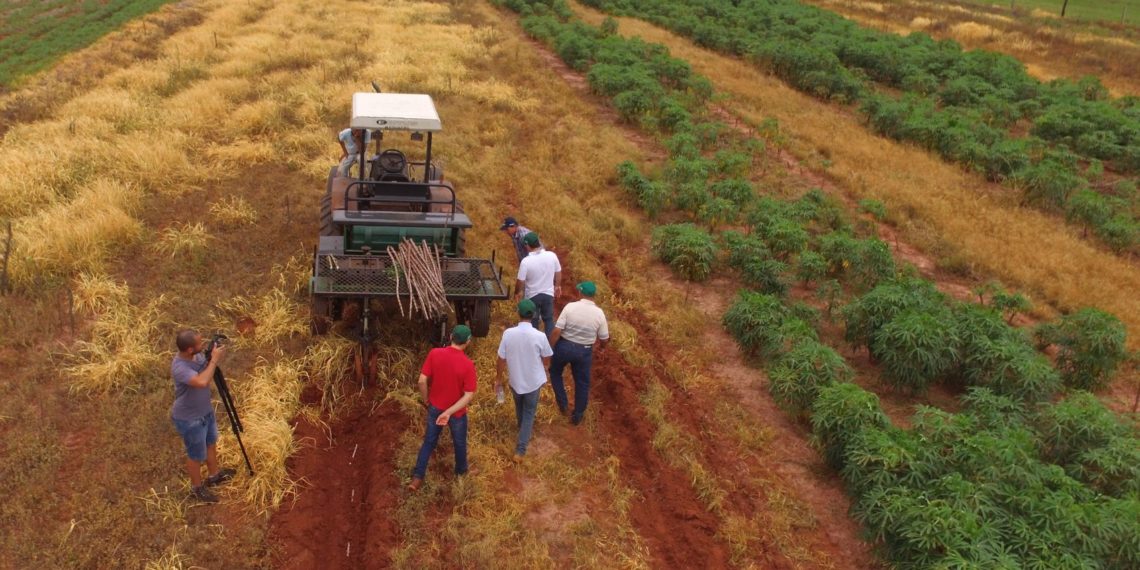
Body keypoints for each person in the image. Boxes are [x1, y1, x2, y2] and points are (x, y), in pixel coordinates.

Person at [171, 329, 236, 503]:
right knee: (195, 455)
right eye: (199, 343)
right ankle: (197, 488)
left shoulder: (196, 356)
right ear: (190, 349)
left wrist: (211, 355)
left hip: (205, 411)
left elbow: (206, 368)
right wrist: (214, 359)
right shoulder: (180, 367)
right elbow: (202, 381)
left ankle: (214, 476)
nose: (202, 345)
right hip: (190, 419)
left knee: (210, 444)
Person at [410, 325, 478, 491]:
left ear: (451, 337)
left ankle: (417, 477)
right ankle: (460, 474)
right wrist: (449, 412)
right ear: (468, 342)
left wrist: (426, 399)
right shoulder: (468, 364)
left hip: (435, 407)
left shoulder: (435, 353)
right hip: (457, 413)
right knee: (459, 443)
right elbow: (468, 395)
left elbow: (421, 381)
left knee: (429, 441)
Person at [495, 299, 553, 462]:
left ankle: (522, 430)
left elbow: (501, 359)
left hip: (515, 380)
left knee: (519, 407)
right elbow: (547, 356)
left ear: (518, 313)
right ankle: (520, 450)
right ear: (534, 315)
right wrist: (545, 368)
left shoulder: (508, 334)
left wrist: (498, 378)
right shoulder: (540, 336)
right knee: (529, 412)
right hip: (533, 382)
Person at [549, 282, 609, 426]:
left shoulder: (570, 307)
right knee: (582, 382)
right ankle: (578, 415)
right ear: (593, 296)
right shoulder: (599, 313)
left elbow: (557, 331)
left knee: (555, 372)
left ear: (581, 293)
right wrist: (602, 348)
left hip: (564, 346)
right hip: (584, 351)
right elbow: (604, 338)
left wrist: (549, 348)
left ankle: (563, 404)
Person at [515, 231, 561, 335]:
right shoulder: (552, 255)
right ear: (538, 242)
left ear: (527, 245)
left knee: (533, 321)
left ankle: (535, 342)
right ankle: (550, 344)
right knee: (548, 320)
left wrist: (517, 293)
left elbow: (520, 281)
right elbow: (558, 271)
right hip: (548, 295)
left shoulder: (526, 261)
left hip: (532, 297)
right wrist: (557, 286)